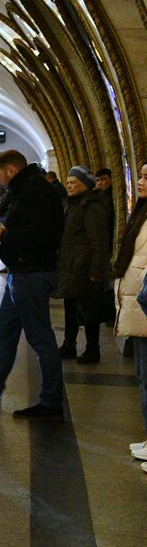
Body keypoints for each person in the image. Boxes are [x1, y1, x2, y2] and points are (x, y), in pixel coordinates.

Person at [0, 150, 65, 418]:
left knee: (41, 339)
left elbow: (39, 235)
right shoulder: (25, 189)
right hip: (20, 274)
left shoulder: (36, 192)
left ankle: (51, 402)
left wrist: (4, 235)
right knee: (4, 331)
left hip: (32, 274)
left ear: (12, 170)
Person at [55, 165, 110, 363]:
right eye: (68, 183)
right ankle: (69, 344)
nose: (69, 186)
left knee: (89, 311)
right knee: (70, 307)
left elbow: (99, 241)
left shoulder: (92, 207)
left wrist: (97, 271)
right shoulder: (71, 204)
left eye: (74, 183)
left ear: (85, 185)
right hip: (71, 265)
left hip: (85, 267)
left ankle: (92, 349)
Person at [112, 163, 147, 464]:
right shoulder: (141, 213)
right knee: (142, 375)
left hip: (144, 304)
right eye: (142, 175)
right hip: (138, 303)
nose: (140, 181)